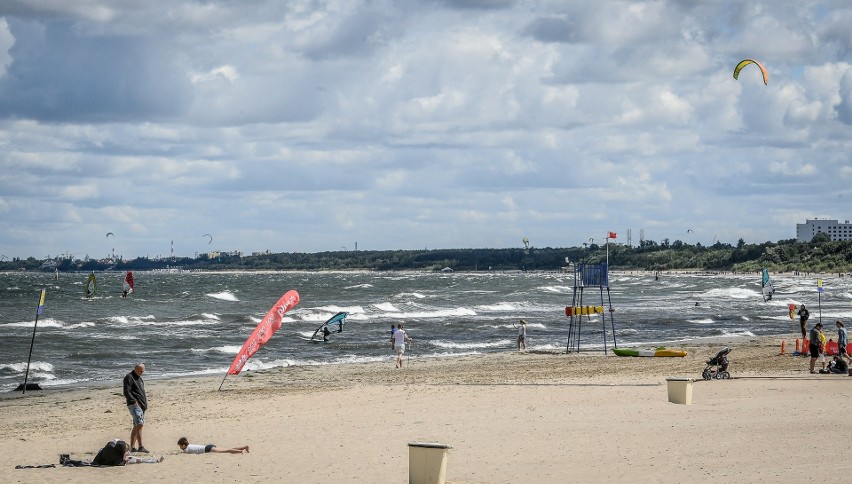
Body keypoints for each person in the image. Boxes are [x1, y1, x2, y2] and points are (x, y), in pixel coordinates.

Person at [123, 363, 148, 453]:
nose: (142, 372)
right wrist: (134, 401)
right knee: (139, 424)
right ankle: (140, 446)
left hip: (142, 405)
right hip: (134, 405)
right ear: (136, 369)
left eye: (143, 371)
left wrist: (144, 404)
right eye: (140, 370)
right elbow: (126, 391)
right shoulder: (129, 377)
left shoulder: (140, 379)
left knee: (136, 426)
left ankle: (132, 447)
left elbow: (141, 392)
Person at [178, 437, 249, 454]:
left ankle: (240, 451)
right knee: (226, 449)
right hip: (208, 447)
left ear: (184, 445)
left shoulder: (186, 449)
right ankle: (244, 447)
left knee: (226, 450)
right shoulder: (190, 445)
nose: (180, 448)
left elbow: (184, 452)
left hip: (208, 449)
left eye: (180, 446)